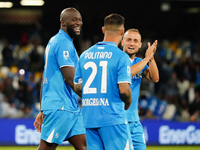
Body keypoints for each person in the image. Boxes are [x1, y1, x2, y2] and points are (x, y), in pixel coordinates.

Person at [74, 14, 133, 150]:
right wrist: (128, 102)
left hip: (89, 119)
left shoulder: (84, 55)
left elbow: (77, 87)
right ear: (123, 31)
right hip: (113, 119)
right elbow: (124, 89)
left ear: (103, 30)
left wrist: (93, 97)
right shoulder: (121, 57)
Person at [33, 8, 86, 150]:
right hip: (60, 107)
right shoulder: (63, 43)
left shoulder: (57, 41)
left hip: (70, 108)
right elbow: (71, 79)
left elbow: (46, 78)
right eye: (74, 20)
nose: (78, 23)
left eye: (80, 19)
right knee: (46, 148)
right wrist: (94, 99)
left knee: (86, 146)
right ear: (63, 22)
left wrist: (42, 109)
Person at [121, 28, 159, 150]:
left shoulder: (139, 62)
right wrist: (146, 59)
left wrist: (151, 57)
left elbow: (155, 78)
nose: (132, 43)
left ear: (140, 45)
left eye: (135, 41)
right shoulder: (117, 60)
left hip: (134, 120)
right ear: (122, 42)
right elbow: (128, 72)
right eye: (129, 40)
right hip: (120, 120)